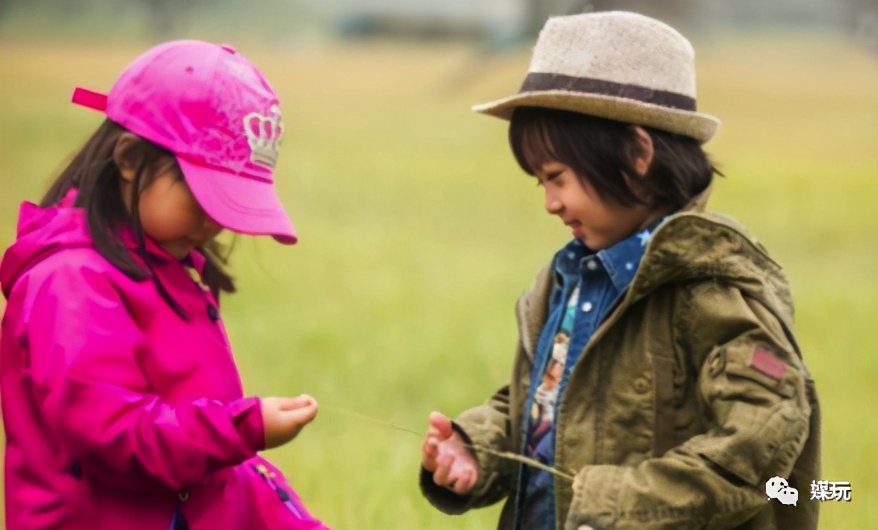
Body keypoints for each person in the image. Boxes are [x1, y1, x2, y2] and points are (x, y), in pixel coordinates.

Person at [419, 11, 820, 530]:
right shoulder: (566, 282)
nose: (550, 203)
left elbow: (755, 453)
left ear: (636, 153)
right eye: (538, 182)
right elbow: (547, 402)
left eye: (557, 177)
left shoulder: (712, 292)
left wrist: (616, 504)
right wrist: (480, 447)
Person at [0, 40, 329, 530]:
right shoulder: (69, 284)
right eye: (205, 197)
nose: (215, 222)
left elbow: (210, 476)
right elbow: (115, 434)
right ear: (130, 159)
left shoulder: (167, 267)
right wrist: (243, 427)